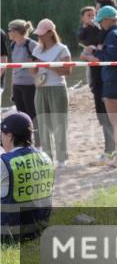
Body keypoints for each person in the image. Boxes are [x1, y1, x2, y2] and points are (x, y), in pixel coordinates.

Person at [83, 5, 117, 167]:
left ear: (106, 20)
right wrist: (100, 50)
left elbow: (108, 58)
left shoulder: (112, 34)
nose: (100, 25)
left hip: (113, 79)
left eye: (101, 21)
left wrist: (92, 54)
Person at [1, 112, 54, 241]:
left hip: (10, 233)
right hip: (39, 229)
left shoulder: (5, 162)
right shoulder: (46, 158)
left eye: (1, 135)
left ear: (9, 136)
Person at [28, 19, 72, 167]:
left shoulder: (62, 49)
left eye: (42, 34)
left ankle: (62, 158)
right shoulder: (36, 50)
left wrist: (49, 66)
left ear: (50, 33)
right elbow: (33, 72)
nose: (39, 37)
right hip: (40, 89)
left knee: (59, 123)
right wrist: (32, 66)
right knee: (42, 123)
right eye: (38, 34)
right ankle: (47, 157)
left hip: (57, 88)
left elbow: (68, 71)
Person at [78, 0, 116, 161]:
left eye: (97, 12)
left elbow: (99, 53)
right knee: (103, 116)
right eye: (92, 14)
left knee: (107, 116)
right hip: (97, 79)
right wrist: (88, 53)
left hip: (103, 80)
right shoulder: (94, 31)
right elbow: (82, 42)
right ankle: (111, 149)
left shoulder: (107, 33)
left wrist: (90, 53)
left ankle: (111, 150)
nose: (95, 17)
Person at [7, 21, 39, 144]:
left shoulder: (31, 45)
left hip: (30, 85)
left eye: (10, 30)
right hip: (17, 85)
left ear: (15, 31)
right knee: (21, 116)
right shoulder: (13, 45)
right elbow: (14, 68)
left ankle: (39, 143)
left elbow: (40, 65)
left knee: (33, 115)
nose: (9, 33)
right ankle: (27, 142)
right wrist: (12, 89)